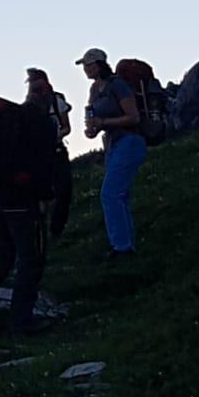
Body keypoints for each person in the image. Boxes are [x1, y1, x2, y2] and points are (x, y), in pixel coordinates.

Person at [0, 103, 57, 333]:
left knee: (1, 256)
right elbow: (43, 166)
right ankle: (21, 320)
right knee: (30, 260)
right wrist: (44, 197)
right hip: (23, 204)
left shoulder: (3, 122)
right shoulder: (39, 125)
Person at [77, 48, 146, 255]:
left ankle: (122, 247)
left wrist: (103, 122)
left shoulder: (117, 85)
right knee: (119, 195)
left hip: (129, 140)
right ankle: (126, 245)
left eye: (89, 65)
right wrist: (93, 128)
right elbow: (94, 118)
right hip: (113, 144)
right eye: (84, 66)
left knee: (111, 194)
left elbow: (134, 117)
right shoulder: (94, 90)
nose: (86, 69)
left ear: (99, 64)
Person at [26, 66, 74, 239]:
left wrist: (52, 137)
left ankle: (50, 231)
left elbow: (66, 127)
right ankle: (48, 231)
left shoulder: (53, 102)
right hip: (51, 153)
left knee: (60, 191)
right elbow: (66, 128)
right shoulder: (34, 106)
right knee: (53, 193)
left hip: (50, 153)